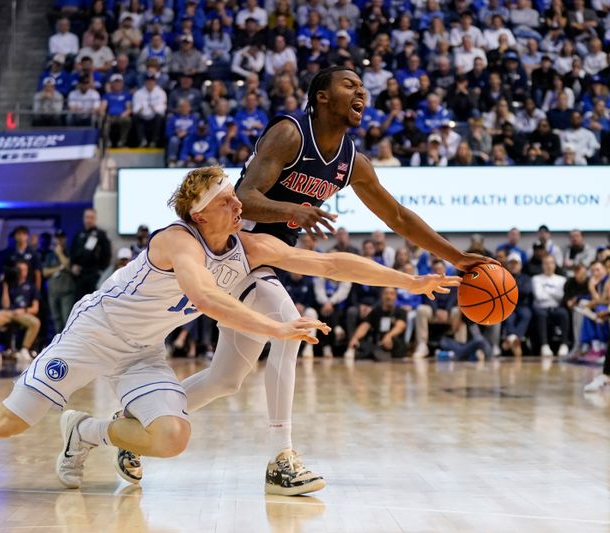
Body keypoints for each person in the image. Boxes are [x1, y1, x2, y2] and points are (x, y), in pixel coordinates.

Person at [0, 167, 457, 495]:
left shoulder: (248, 243)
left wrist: (412, 281)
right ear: (199, 211)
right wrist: (279, 325)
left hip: (141, 350)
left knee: (170, 438)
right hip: (91, 335)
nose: (239, 205)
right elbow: (205, 296)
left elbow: (327, 263)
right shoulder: (174, 241)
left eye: (236, 200)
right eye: (228, 199)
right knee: (6, 422)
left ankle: (82, 431)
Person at [116, 67, 492, 496]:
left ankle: (131, 426)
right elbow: (247, 197)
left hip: (271, 260)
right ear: (321, 97)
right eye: (349, 84)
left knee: (225, 380)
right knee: (289, 325)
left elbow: (399, 217)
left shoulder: (352, 162)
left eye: (361, 86)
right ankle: (282, 459)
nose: (360, 91)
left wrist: (457, 257)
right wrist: (294, 212)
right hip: (234, 250)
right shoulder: (290, 134)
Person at [0, 260, 41, 366]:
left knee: (35, 322)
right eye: (19, 269)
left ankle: (24, 349)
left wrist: (24, 310)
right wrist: (5, 285)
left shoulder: (31, 286)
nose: (22, 272)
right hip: (9, 312)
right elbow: (5, 305)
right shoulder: (10, 284)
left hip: (23, 312)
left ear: (27, 271)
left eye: (24, 270)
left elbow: (35, 308)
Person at [346, 287, 407, 360]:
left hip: (393, 343)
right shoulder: (376, 311)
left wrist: (389, 336)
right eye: (386, 294)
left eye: (391, 294)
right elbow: (365, 326)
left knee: (395, 342)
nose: (388, 297)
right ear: (382, 296)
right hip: (378, 343)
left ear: (396, 297)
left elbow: (400, 327)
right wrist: (355, 338)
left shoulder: (401, 312)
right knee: (362, 345)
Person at [532, 255, 569, 357]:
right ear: (542, 265)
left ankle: (564, 344)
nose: (549, 265)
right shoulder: (536, 279)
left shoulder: (561, 279)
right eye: (546, 263)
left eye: (551, 263)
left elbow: (561, 296)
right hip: (541, 308)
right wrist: (554, 292)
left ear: (555, 265)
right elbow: (539, 296)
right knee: (541, 315)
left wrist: (546, 290)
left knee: (564, 313)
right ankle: (544, 345)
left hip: (556, 308)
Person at [70, 208, 111, 300]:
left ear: (95, 219)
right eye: (87, 217)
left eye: (91, 217)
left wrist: (101, 271)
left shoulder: (101, 235)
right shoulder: (78, 234)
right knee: (79, 302)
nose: (89, 220)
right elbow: (72, 252)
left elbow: (106, 254)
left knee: (94, 301)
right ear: (83, 218)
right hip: (80, 275)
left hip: (94, 274)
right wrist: (73, 265)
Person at [43, 230, 76, 334]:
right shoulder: (50, 255)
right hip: (53, 292)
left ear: (65, 239)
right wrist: (59, 268)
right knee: (56, 320)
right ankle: (58, 345)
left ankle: (67, 345)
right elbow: (45, 272)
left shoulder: (70, 252)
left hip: (67, 292)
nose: (59, 240)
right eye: (57, 237)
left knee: (67, 320)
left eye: (61, 237)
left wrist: (60, 254)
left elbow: (69, 267)